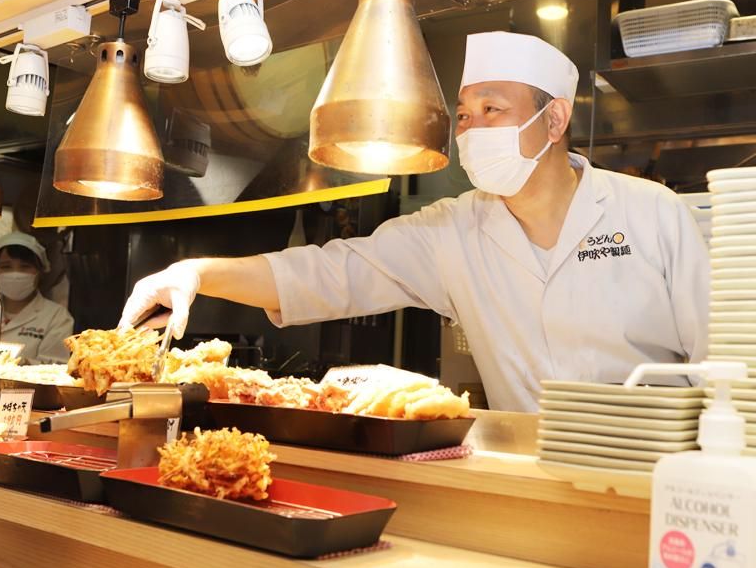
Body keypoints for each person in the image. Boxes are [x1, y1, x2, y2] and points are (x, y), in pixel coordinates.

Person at [119, 31, 709, 412]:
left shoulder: (652, 211)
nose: (471, 130)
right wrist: (196, 272)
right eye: (465, 115)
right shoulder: (453, 231)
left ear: (554, 121)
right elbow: (329, 274)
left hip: (658, 477)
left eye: (492, 110)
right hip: (529, 477)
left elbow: (725, 361)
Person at [0, 232, 74, 364]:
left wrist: (18, 362)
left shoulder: (57, 317)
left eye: (25, 266)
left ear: (40, 272)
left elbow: (55, 367)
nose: (15, 274)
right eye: (6, 267)